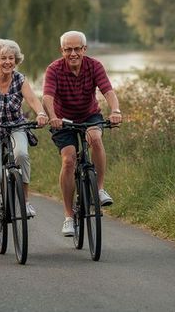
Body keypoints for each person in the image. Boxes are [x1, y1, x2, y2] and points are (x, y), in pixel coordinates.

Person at [42, 30, 122, 237]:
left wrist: (115, 111)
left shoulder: (94, 66)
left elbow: (108, 91)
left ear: (84, 49)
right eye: (68, 49)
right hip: (62, 120)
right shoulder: (54, 69)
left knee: (95, 138)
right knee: (69, 160)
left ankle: (99, 188)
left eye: (77, 49)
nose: (73, 53)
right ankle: (69, 217)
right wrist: (52, 116)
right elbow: (48, 97)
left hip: (89, 115)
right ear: (62, 51)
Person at [0, 39, 48, 241]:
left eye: (11, 58)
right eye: (3, 58)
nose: (7, 61)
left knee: (21, 154)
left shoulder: (20, 80)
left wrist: (40, 114)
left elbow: (32, 100)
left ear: (16, 60)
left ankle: (26, 201)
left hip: (15, 127)